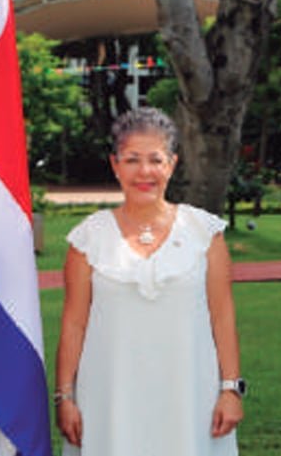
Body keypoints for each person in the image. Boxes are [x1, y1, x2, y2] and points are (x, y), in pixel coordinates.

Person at [55, 107, 243, 456]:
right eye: (132, 160)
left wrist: (230, 389)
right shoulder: (87, 239)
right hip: (109, 398)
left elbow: (222, 316)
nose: (145, 172)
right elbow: (74, 324)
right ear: (115, 165)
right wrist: (65, 397)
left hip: (190, 397)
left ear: (171, 164)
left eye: (155, 160)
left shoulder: (205, 232)